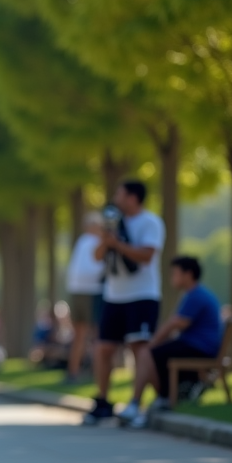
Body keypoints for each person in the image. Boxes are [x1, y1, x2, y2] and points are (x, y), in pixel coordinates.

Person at [83, 181, 165, 425]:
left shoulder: (150, 222)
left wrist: (117, 243)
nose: (116, 197)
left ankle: (136, 402)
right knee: (102, 348)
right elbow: (97, 257)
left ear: (133, 197)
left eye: (120, 193)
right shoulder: (113, 223)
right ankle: (103, 401)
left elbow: (147, 255)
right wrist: (106, 241)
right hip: (114, 295)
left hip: (142, 295)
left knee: (139, 348)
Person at [117, 256, 222, 428]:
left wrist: (153, 343)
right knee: (150, 354)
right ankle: (161, 397)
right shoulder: (194, 294)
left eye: (175, 273)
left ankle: (149, 400)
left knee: (146, 353)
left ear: (188, 274)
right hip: (196, 346)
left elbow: (176, 323)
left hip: (199, 349)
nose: (172, 277)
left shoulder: (196, 295)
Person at [64, 212, 106, 383]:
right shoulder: (89, 242)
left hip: (85, 291)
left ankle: (91, 372)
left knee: (89, 335)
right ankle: (81, 371)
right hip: (87, 291)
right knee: (86, 334)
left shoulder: (87, 242)